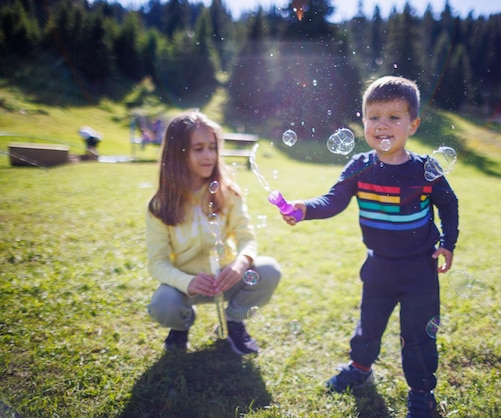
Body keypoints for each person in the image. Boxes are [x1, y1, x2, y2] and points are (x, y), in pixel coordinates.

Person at [281, 76, 459, 418]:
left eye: (394, 117)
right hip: (378, 267)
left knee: (418, 334)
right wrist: (305, 208)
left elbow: (449, 205)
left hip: (420, 269)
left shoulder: (427, 170)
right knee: (369, 323)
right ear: (364, 121)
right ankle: (360, 369)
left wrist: (448, 243)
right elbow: (333, 200)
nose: (383, 125)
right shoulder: (361, 167)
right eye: (374, 116)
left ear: (413, 124)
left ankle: (422, 393)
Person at [146, 110, 281, 355]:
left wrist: (241, 263)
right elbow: (157, 263)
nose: (209, 156)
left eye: (212, 147)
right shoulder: (159, 205)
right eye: (198, 149)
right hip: (185, 284)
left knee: (269, 270)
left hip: (226, 277)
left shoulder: (228, 192)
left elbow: (246, 237)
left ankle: (234, 322)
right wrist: (188, 282)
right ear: (178, 153)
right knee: (163, 304)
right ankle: (181, 325)